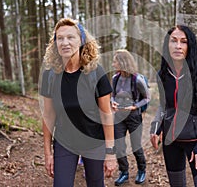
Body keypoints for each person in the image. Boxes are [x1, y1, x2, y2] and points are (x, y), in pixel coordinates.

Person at [39, 18, 117, 187]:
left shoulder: (96, 73)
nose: (64, 42)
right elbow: (48, 116)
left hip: (94, 141)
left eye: (70, 37)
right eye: (59, 38)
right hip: (65, 142)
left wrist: (110, 152)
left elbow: (107, 114)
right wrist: (47, 153)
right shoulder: (50, 76)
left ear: (81, 40)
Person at [150, 25, 197, 187]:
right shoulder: (162, 74)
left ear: (189, 45)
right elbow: (164, 106)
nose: (178, 46)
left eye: (183, 42)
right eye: (173, 41)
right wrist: (157, 128)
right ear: (166, 45)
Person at [111, 49, 150, 186]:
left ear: (122, 62)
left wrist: (135, 106)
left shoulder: (137, 79)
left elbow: (147, 98)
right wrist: (112, 102)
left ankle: (141, 170)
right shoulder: (115, 78)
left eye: (115, 61)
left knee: (136, 146)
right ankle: (124, 172)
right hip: (119, 116)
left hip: (133, 117)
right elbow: (112, 95)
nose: (113, 64)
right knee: (119, 146)